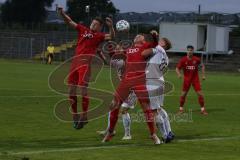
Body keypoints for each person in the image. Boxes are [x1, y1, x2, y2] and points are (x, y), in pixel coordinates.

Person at [102, 34, 172, 144]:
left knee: (147, 109)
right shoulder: (129, 49)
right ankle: (110, 131)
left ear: (143, 41)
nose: (137, 36)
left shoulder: (145, 47)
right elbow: (116, 56)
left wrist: (154, 36)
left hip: (140, 80)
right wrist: (111, 46)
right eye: (137, 35)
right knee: (114, 105)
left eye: (140, 36)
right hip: (126, 80)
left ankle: (153, 134)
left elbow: (154, 45)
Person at [57, 6, 115, 129]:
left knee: (83, 90)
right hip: (74, 63)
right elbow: (69, 21)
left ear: (100, 27)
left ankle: (84, 116)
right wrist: (62, 13)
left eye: (96, 24)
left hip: (85, 65)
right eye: (93, 23)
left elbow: (111, 36)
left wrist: (110, 26)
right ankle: (75, 115)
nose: (93, 25)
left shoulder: (99, 36)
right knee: (71, 91)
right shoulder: (83, 29)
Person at [142, 36, 174, 143]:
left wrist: (154, 36)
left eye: (161, 40)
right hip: (160, 81)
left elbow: (150, 47)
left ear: (164, 44)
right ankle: (169, 131)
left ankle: (165, 136)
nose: (159, 41)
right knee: (159, 109)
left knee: (154, 111)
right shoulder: (166, 57)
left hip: (152, 82)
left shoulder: (159, 49)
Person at [176, 45, 208, 115]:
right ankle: (181, 109)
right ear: (186, 51)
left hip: (195, 80)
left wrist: (203, 75)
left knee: (200, 94)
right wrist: (179, 74)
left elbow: (202, 66)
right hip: (187, 80)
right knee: (183, 95)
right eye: (188, 50)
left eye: (191, 50)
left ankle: (203, 110)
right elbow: (177, 68)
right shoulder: (183, 60)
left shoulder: (196, 59)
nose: (189, 51)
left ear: (193, 51)